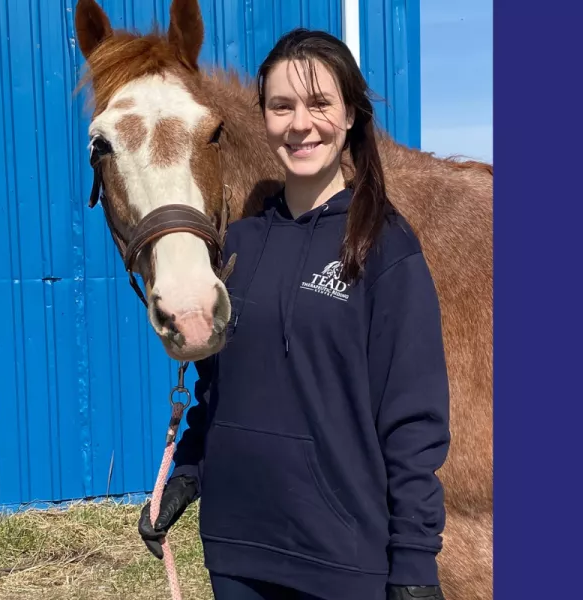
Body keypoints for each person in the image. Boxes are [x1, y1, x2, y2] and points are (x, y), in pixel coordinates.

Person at [137, 28, 452, 600]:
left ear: (351, 114)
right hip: (237, 552)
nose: (300, 123)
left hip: (341, 561)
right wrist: (189, 469)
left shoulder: (383, 246)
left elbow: (413, 421)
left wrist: (414, 561)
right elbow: (221, 389)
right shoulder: (238, 246)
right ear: (263, 117)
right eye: (282, 106)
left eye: (319, 103)